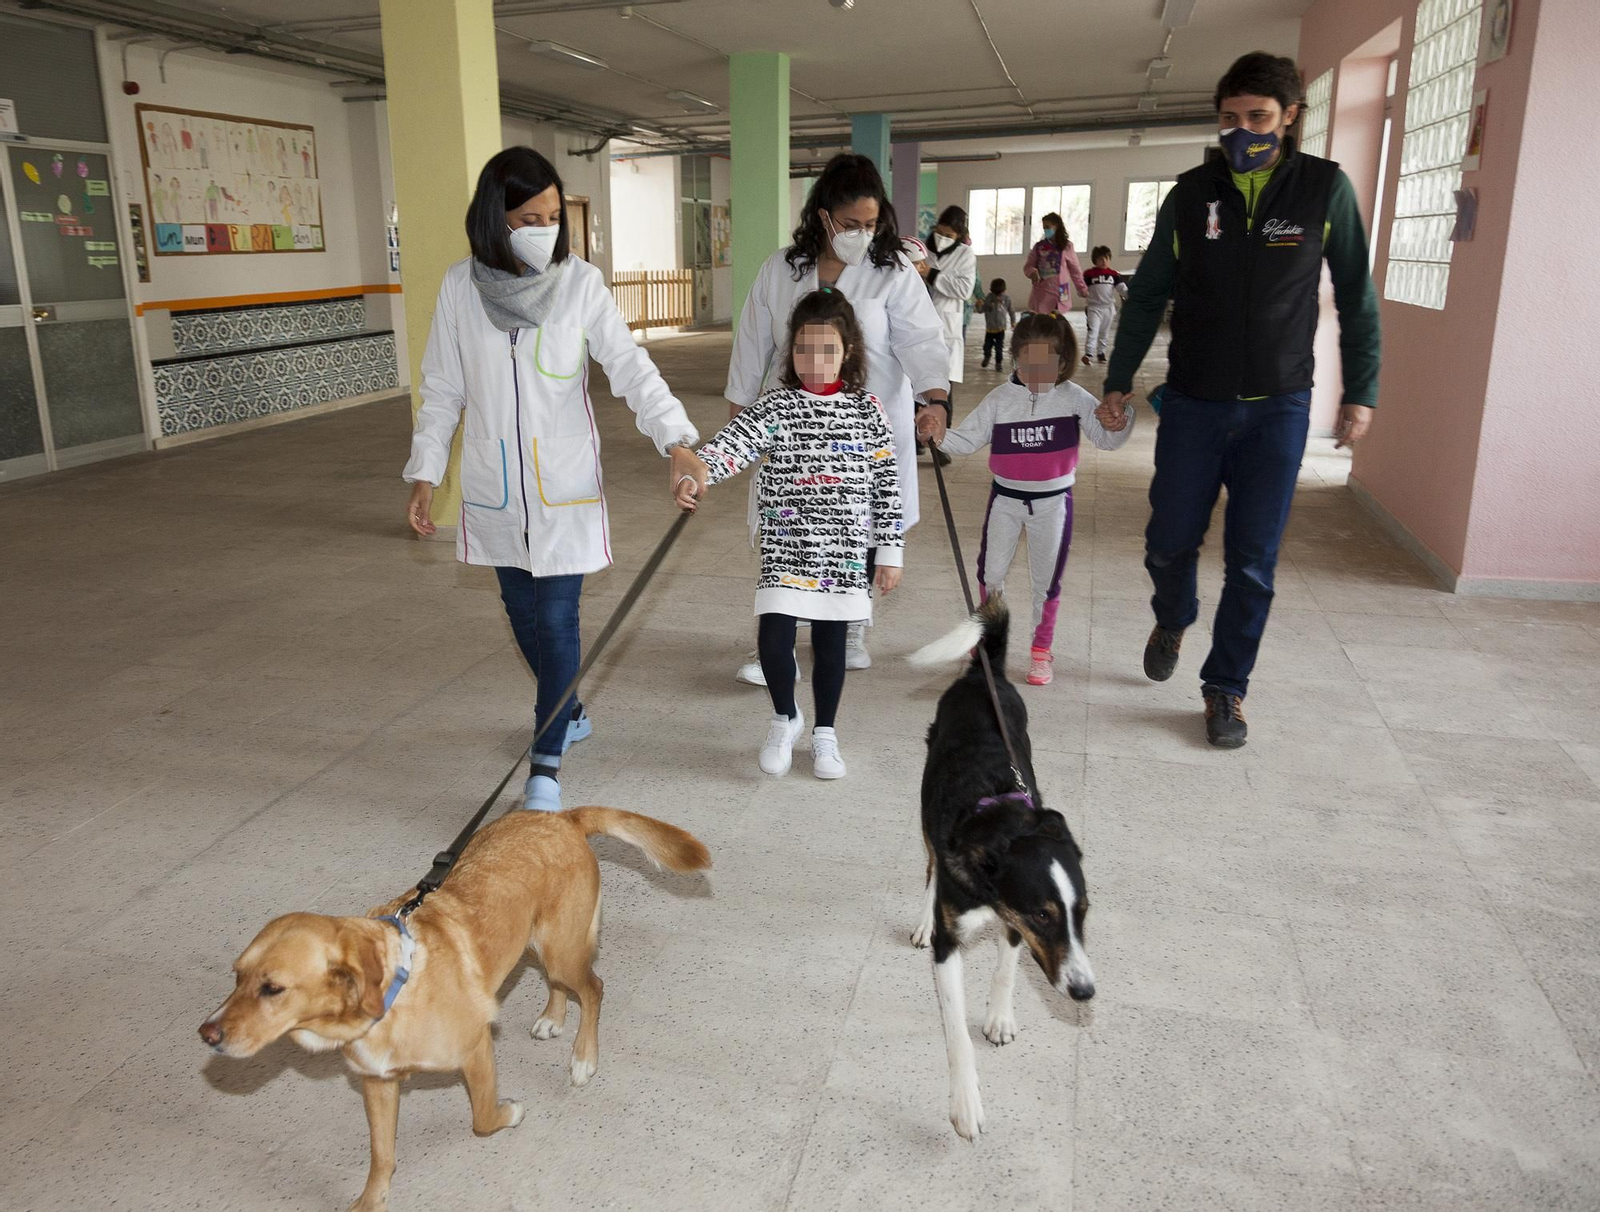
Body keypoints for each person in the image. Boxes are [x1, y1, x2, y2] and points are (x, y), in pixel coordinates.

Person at [404, 147, 707, 811]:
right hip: (496, 487)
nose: (544, 229)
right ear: (496, 218)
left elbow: (631, 368)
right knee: (522, 616)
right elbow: (442, 387)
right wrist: (425, 470)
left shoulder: (580, 284)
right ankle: (567, 708)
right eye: (528, 219)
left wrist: (677, 440)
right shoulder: (460, 288)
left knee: (556, 617)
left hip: (564, 487)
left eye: (551, 217)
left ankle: (544, 767)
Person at [1097, 51, 1381, 748]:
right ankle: (1174, 615)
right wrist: (1117, 378)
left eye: (1258, 117)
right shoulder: (1192, 195)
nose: (1242, 130)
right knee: (1167, 543)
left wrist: (1361, 390)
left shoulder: (1323, 190)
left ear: (1289, 118)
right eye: (1230, 118)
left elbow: (1355, 294)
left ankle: (1226, 688)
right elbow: (1149, 292)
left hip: (1278, 407)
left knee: (1253, 561)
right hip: (1193, 402)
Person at [727, 153, 950, 682]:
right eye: (851, 224)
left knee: (858, 524)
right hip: (796, 426)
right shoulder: (781, 269)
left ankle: (850, 625)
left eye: (871, 224)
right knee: (792, 528)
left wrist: (935, 400)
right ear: (823, 215)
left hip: (865, 425)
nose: (862, 235)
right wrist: (740, 414)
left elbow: (922, 340)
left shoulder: (893, 270)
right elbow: (753, 342)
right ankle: (778, 641)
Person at [679, 289, 903, 780]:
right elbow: (730, 446)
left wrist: (890, 548)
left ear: (848, 351)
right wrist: (696, 473)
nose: (813, 361)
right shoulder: (776, 406)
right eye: (803, 349)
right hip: (786, 549)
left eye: (826, 350)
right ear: (790, 349)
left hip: (843, 553)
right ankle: (785, 717)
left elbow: (887, 485)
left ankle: (825, 733)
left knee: (830, 645)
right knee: (774, 639)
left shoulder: (868, 410)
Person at [919, 313, 1133, 687]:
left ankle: (1041, 649)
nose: (1034, 372)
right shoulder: (1000, 399)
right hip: (1005, 500)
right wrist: (937, 434)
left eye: (1045, 364)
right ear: (1015, 358)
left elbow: (1106, 439)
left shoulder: (1074, 398)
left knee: (1046, 581)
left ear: (1063, 363)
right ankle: (989, 640)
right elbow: (968, 439)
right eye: (1026, 363)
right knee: (991, 573)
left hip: (1053, 504)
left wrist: (1121, 418)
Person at [918, 205, 977, 466]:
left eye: (949, 235)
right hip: (918, 325)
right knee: (915, 383)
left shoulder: (965, 254)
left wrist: (931, 274)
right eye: (940, 232)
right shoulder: (922, 249)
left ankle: (940, 442)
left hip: (946, 328)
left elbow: (964, 289)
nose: (942, 238)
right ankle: (916, 438)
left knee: (942, 388)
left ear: (959, 236)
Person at [1022, 211, 1088, 316]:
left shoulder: (1067, 246)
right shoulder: (1039, 247)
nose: (1046, 230)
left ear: (1056, 226)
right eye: (1044, 228)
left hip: (1060, 290)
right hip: (1042, 290)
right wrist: (1032, 272)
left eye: (1048, 227)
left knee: (1057, 319)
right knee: (1041, 318)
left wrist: (1082, 288)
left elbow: (1075, 270)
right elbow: (1028, 266)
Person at [1081, 246, 1128, 365]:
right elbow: (1081, 287)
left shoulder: (1114, 274)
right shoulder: (1088, 274)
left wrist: (1131, 296)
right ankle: (1089, 354)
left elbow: (1122, 288)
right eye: (1101, 259)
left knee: (1104, 332)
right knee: (1093, 330)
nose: (1104, 261)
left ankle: (1101, 353)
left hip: (1108, 308)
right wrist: (1082, 292)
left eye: (1106, 258)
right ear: (1095, 260)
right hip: (1093, 308)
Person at [980, 277, 1016, 370]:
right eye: (995, 293)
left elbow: (1011, 311)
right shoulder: (988, 298)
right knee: (987, 346)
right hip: (990, 328)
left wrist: (1013, 322)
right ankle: (987, 356)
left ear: (1004, 291)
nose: (997, 296)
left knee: (999, 347)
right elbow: (982, 309)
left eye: (999, 293)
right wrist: (979, 305)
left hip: (1001, 329)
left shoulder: (1006, 299)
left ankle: (998, 363)